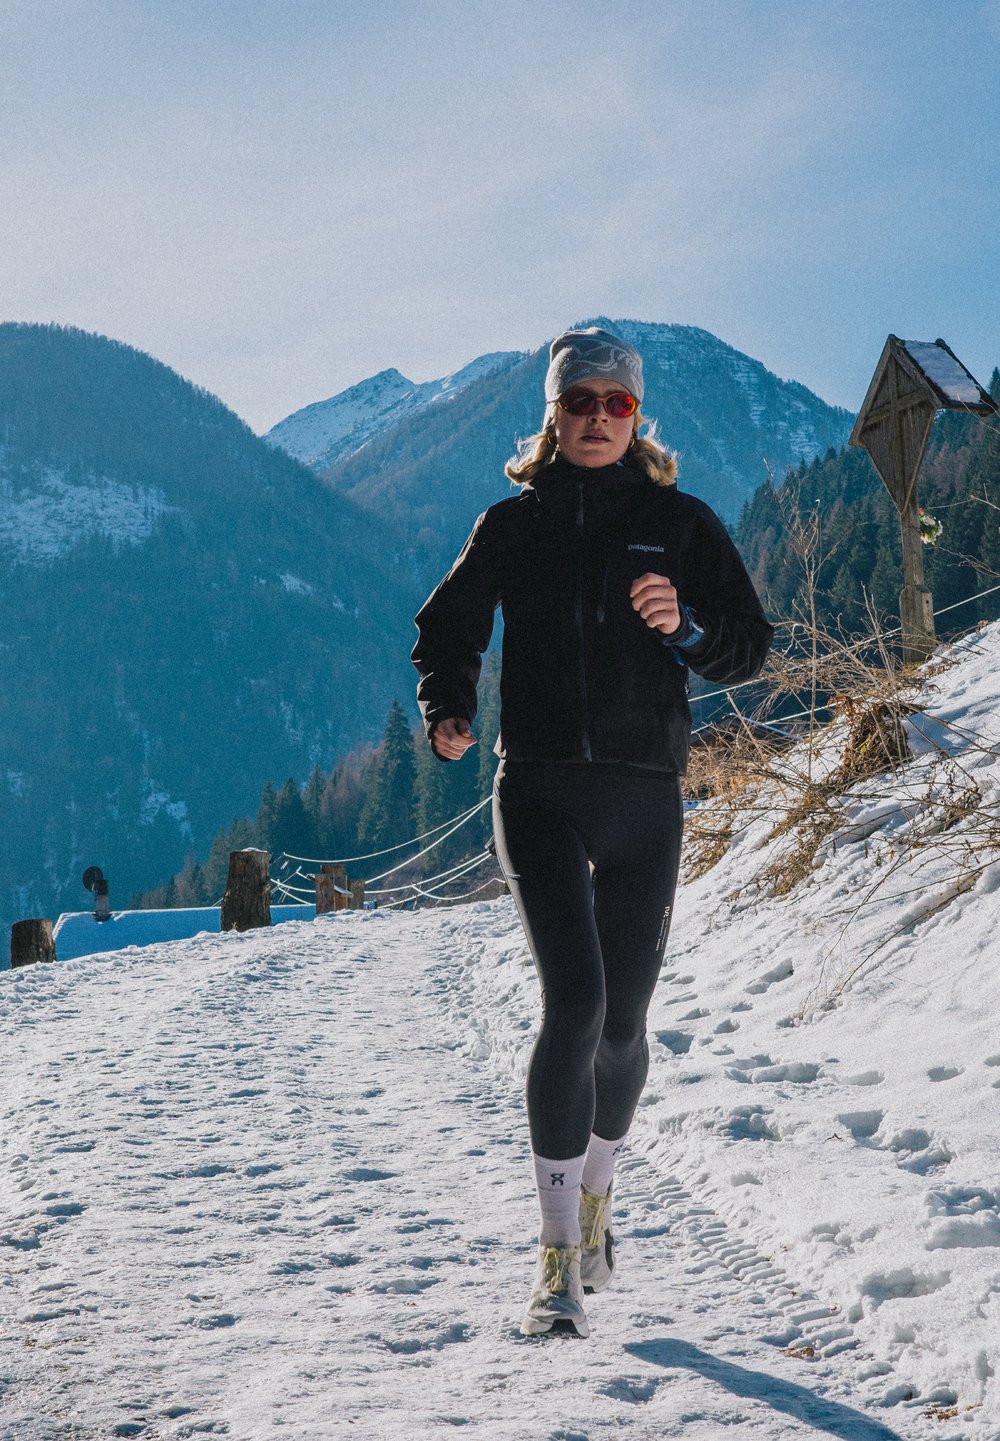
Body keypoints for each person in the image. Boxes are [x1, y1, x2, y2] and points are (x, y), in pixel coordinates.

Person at [411, 327, 773, 1338]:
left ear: (637, 416)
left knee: (622, 1026)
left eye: (616, 403)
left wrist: (686, 629)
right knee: (573, 1004)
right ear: (553, 415)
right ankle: (556, 1260)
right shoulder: (511, 525)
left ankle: (602, 1198)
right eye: (580, 402)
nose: (597, 419)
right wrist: (447, 708)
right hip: (537, 790)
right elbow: (447, 626)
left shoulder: (683, 525)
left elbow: (748, 646)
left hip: (645, 797)